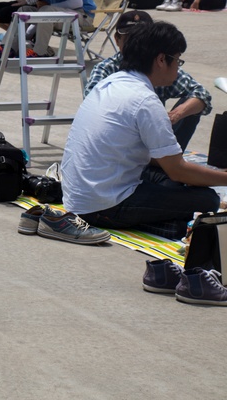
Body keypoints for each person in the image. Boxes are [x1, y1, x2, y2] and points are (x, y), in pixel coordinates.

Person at [62, 21, 227, 239]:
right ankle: (163, 226)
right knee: (208, 199)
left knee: (174, 181)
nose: (178, 67)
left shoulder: (110, 82)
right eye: (177, 60)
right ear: (161, 60)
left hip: (77, 195)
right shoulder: (145, 100)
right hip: (102, 207)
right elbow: (178, 170)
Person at [85, 11, 212, 151]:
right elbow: (93, 107)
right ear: (117, 39)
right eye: (129, 38)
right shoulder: (106, 70)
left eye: (142, 39)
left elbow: (201, 93)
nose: (136, 44)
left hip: (153, 140)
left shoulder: (160, 66)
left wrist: (176, 114)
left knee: (191, 106)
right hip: (121, 145)